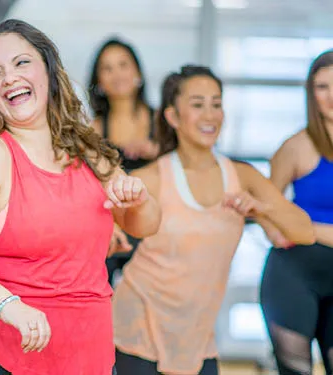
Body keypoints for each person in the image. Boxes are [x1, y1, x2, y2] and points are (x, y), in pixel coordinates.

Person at [0, 19, 162, 375]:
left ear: (49, 71)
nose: (10, 77)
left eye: (22, 63)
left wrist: (140, 199)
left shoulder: (86, 149)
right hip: (7, 354)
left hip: (91, 354)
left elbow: (144, 226)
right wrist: (8, 305)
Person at [111, 65, 315, 375]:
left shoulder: (242, 175)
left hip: (196, 337)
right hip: (136, 325)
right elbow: (104, 224)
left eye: (216, 104)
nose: (210, 114)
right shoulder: (151, 178)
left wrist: (261, 209)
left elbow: (303, 232)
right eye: (197, 104)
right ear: (172, 116)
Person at [259, 49, 333, 375]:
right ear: (311, 93)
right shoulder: (296, 147)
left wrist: (305, 228)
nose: (330, 95)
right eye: (322, 86)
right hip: (293, 275)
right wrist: (274, 229)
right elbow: (263, 203)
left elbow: (301, 225)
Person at [87, 37, 158, 286]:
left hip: (154, 230)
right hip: (109, 230)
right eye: (107, 68)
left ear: (137, 71)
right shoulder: (93, 129)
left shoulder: (162, 123)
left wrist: (157, 150)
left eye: (123, 65)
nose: (117, 74)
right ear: (99, 82)